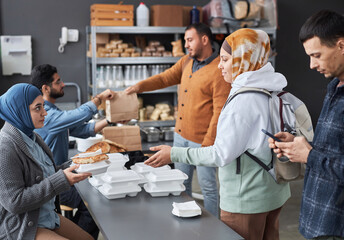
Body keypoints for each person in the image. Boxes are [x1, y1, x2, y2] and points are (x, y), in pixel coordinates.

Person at [144, 28, 291, 240]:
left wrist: (174, 153)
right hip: (274, 193)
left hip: (246, 199)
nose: (220, 65)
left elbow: (220, 154)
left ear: (243, 59)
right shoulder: (276, 90)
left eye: (225, 59)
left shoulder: (242, 101)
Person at [125, 23, 231, 217]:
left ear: (204, 40)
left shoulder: (219, 70)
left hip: (203, 144)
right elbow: (165, 78)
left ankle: (214, 229)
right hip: (180, 138)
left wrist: (208, 146)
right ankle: (187, 220)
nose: (186, 45)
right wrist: (139, 86)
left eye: (190, 40)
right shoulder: (186, 62)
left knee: (208, 188)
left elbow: (219, 113)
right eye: (185, 41)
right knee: (181, 184)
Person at [268, 10, 344, 240]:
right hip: (317, 219)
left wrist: (310, 155)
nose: (311, 65)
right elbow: (334, 148)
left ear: (341, 45)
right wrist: (299, 146)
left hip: (335, 226)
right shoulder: (335, 87)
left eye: (317, 55)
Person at [0, 83, 93, 240]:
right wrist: (61, 180)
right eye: (38, 108)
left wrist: (78, 163)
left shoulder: (33, 138)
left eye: (43, 106)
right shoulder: (2, 150)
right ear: (19, 110)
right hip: (17, 226)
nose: (45, 113)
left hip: (41, 215)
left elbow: (45, 173)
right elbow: (14, 202)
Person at [30, 64, 115, 239]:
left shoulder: (52, 111)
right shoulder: (48, 116)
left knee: (94, 197)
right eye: (58, 81)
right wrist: (98, 98)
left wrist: (110, 120)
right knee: (93, 203)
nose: (63, 84)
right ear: (46, 88)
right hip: (51, 180)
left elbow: (81, 130)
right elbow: (78, 116)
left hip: (60, 172)